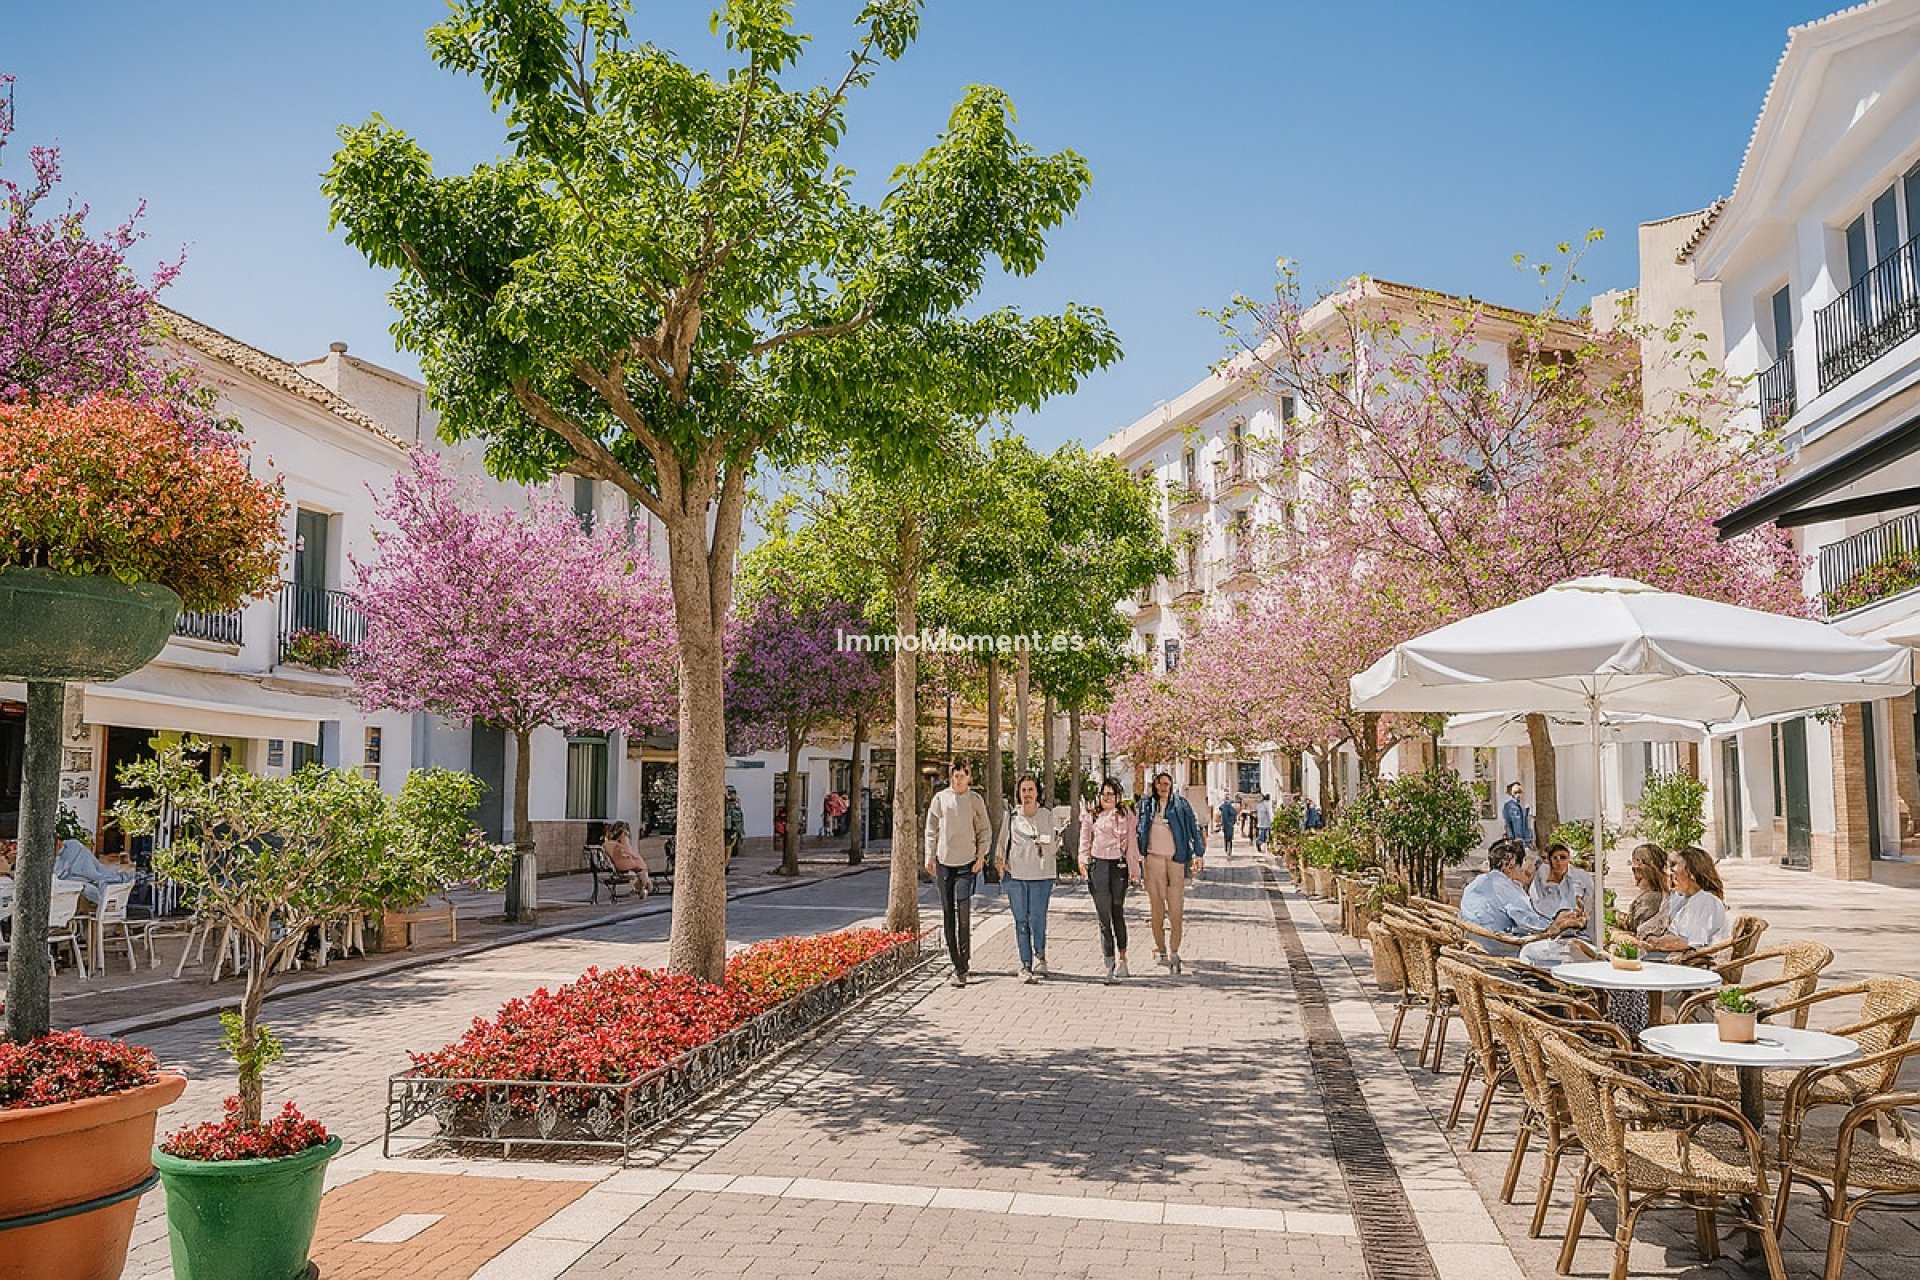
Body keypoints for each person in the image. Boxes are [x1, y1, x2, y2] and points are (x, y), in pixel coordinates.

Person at [923, 759, 991, 986]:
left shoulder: (975, 800)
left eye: (963, 776)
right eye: (956, 776)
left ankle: (963, 962)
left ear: (969, 777)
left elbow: (984, 829)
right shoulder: (940, 799)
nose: (959, 780)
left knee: (963, 912)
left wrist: (981, 856)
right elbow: (931, 828)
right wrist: (930, 855)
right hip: (945, 862)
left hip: (966, 864)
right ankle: (956, 962)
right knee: (948, 913)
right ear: (951, 777)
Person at [1458, 839, 1583, 959]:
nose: (1529, 869)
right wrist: (1558, 922)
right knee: (1570, 950)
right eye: (1524, 862)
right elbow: (1530, 923)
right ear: (1509, 864)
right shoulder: (1506, 887)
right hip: (1498, 948)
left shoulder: (1477, 883)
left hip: (1475, 941)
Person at [1135, 771, 1203, 973]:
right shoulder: (1147, 805)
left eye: (1167, 784)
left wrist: (1198, 854)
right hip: (1153, 860)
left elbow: (1193, 828)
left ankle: (1174, 949)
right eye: (1160, 784)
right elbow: (1138, 830)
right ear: (1155, 786)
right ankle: (1161, 948)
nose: (1164, 787)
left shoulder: (1181, 805)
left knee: (1176, 909)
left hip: (1175, 860)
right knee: (1156, 908)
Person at [996, 775, 1061, 983]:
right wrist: (1000, 864)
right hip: (1016, 876)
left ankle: (1040, 955)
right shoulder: (1012, 816)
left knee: (1037, 918)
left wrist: (1044, 843)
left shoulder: (1047, 816)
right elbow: (1002, 843)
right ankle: (1025, 964)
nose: (1027, 794)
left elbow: (1054, 844)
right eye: (1023, 790)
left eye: (1030, 790)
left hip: (1041, 876)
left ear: (1037, 793)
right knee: (1021, 921)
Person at [1078, 777, 1141, 981]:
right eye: (1104, 794)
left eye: (1111, 794)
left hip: (1118, 867)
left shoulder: (1126, 815)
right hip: (1098, 866)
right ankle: (1109, 961)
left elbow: (1132, 844)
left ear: (1118, 796)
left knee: (1117, 912)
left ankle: (1123, 958)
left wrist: (1134, 870)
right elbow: (1084, 841)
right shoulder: (1092, 816)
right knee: (1103, 916)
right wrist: (1083, 861)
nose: (1107, 798)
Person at [1640, 844, 1731, 956]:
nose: (1670, 872)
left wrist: (1658, 943)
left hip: (1700, 961)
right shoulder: (1680, 899)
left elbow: (1693, 944)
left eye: (1674, 866)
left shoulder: (1707, 902)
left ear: (1691, 873)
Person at [1528, 842, 1596, 941]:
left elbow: (1583, 895)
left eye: (1563, 858)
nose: (1559, 862)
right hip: (1552, 929)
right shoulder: (1541, 878)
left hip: (1580, 931)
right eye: (1555, 858)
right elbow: (1538, 903)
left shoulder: (1578, 876)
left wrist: (1580, 906)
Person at [53, 836, 134, 906]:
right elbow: (61, 875)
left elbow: (87, 861)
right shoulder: (56, 860)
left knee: (100, 877)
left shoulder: (73, 845)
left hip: (93, 873)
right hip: (78, 880)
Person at [601, 821, 653, 897]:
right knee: (641, 867)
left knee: (639, 868)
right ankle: (645, 886)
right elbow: (628, 851)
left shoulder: (607, 844)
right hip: (624, 865)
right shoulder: (621, 841)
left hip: (619, 865)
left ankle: (643, 887)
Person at [1501, 782, 1531, 846]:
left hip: (1517, 838)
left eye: (1520, 792)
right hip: (1517, 839)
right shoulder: (1512, 806)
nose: (1519, 795)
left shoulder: (1516, 805)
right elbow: (1515, 823)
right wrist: (1518, 839)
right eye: (1516, 792)